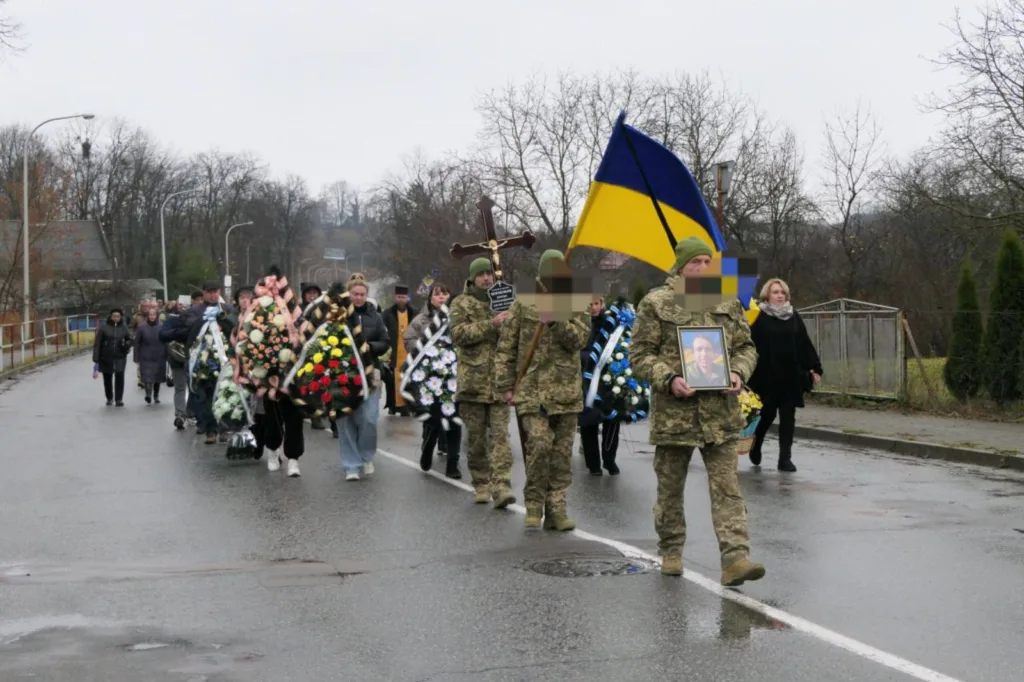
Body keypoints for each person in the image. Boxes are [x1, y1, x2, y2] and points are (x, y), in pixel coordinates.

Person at [631, 236, 765, 585]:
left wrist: (737, 372)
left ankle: (736, 558)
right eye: (696, 262)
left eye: (708, 262)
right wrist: (669, 378)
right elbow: (640, 355)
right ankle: (672, 551)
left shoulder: (726, 301)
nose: (703, 268)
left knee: (727, 488)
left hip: (720, 414)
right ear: (680, 265)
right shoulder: (657, 303)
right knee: (670, 489)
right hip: (675, 414)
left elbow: (746, 348)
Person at [495, 249, 590, 531]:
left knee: (561, 456)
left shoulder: (577, 300)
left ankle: (557, 508)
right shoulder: (524, 302)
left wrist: (557, 319)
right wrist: (506, 386)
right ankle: (534, 504)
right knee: (539, 445)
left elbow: (580, 340)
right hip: (531, 391)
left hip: (566, 393)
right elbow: (507, 347)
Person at [450, 258, 516, 507]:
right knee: (477, 439)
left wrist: (509, 322)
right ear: (473, 278)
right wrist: (491, 324)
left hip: (499, 382)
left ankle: (502, 486)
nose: (487, 278)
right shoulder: (461, 303)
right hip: (473, 384)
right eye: (481, 275)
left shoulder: (504, 301)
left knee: (501, 438)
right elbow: (458, 334)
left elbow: (515, 336)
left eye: (490, 274)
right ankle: (481, 483)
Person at [747, 278, 823, 472]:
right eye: (775, 292)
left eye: (782, 292)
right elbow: (748, 345)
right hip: (766, 376)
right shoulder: (758, 317)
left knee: (788, 417)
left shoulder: (793, 316)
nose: (780, 295)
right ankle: (756, 444)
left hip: (791, 375)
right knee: (766, 415)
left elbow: (803, 342)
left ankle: (785, 459)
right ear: (767, 295)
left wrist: (814, 367)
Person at [402, 282, 462, 478]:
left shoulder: (457, 318)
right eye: (437, 294)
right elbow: (409, 340)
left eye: (445, 294)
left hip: (453, 377)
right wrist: (428, 352)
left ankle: (453, 463)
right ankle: (428, 445)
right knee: (434, 418)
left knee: (454, 419)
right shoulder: (420, 320)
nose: (441, 297)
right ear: (430, 298)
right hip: (429, 377)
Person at [339, 273, 389, 480]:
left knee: (368, 418)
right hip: (342, 374)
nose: (358, 297)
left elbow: (386, 341)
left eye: (362, 294)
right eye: (354, 294)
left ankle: (367, 456)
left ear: (367, 296)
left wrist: (371, 347)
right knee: (345, 420)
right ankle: (351, 464)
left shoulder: (375, 316)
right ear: (348, 294)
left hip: (369, 373)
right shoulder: (338, 316)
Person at [578, 295, 622, 476]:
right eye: (590, 304)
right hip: (587, 378)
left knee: (612, 420)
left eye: (596, 304)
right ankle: (593, 464)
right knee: (588, 423)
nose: (594, 307)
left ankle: (609, 458)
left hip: (608, 378)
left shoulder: (611, 323)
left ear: (602, 304)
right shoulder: (582, 323)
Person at [186, 280, 232, 445]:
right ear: (204, 293)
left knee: (224, 394)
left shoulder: (226, 310)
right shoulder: (195, 310)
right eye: (209, 292)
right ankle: (210, 430)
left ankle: (224, 428)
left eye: (215, 292)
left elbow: (233, 328)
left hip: (224, 359)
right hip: (203, 362)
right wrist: (205, 320)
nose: (213, 295)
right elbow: (190, 328)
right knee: (205, 397)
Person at [383, 284, 418, 416]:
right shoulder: (387, 314)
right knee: (392, 381)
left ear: (407, 298)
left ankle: (408, 406)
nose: (401, 300)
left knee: (409, 379)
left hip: (409, 352)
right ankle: (393, 406)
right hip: (393, 352)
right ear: (395, 297)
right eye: (398, 297)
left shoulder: (414, 312)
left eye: (403, 297)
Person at [92, 308, 131, 407]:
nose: (116, 318)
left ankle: (119, 399)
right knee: (107, 377)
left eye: (118, 316)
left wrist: (126, 345)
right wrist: (96, 358)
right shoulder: (104, 327)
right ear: (110, 316)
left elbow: (129, 339)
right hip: (106, 356)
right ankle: (109, 397)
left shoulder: (124, 327)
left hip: (120, 356)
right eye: (114, 316)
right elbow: (97, 343)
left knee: (119, 376)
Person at [161, 300, 190, 429]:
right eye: (180, 305)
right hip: (177, 358)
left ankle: (189, 413)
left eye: (184, 305)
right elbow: (162, 334)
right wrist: (179, 333)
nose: (182, 307)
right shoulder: (171, 320)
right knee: (180, 387)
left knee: (193, 389)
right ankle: (180, 414)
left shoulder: (194, 317)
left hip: (194, 359)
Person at [133, 307, 167, 405]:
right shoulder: (141, 327)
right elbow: (137, 343)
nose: (152, 316)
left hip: (159, 355)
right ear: (148, 316)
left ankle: (156, 395)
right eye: (150, 315)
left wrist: (167, 355)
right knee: (148, 376)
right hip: (146, 355)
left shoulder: (161, 326)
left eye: (154, 314)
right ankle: (148, 394)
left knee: (157, 377)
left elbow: (165, 341)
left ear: (156, 316)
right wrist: (136, 357)